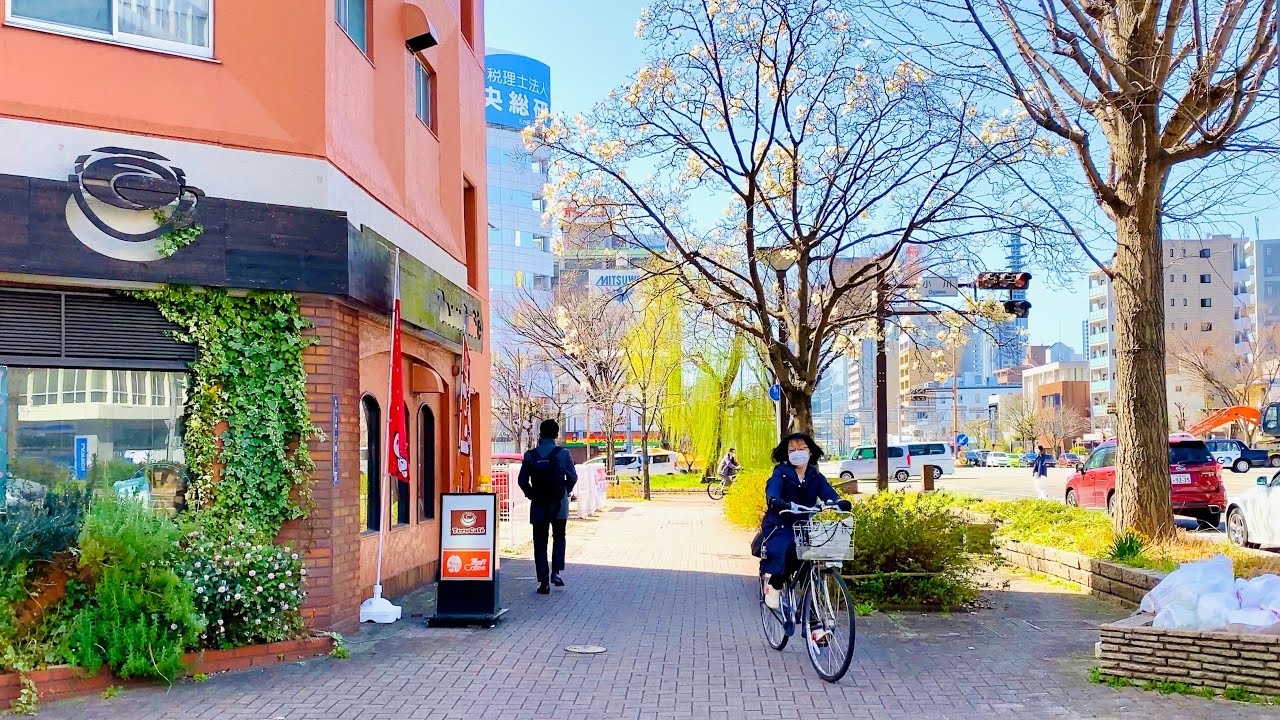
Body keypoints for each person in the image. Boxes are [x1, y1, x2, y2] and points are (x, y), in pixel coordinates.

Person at [759, 433, 851, 621]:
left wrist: (838, 502)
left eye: (801, 449)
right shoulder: (781, 472)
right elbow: (773, 489)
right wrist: (775, 500)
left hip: (804, 523)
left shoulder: (814, 475)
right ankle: (775, 585)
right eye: (792, 450)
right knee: (789, 550)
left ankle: (813, 617)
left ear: (810, 452)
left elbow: (828, 492)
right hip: (780, 523)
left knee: (812, 559)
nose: (797, 453)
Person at [517, 419, 578, 595]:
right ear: (556, 434)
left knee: (539, 541)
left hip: (538, 505)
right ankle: (556, 572)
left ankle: (543, 582)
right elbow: (573, 477)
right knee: (559, 536)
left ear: (540, 434)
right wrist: (565, 492)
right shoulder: (564, 453)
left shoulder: (530, 455)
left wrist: (532, 494)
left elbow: (521, 481)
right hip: (559, 504)